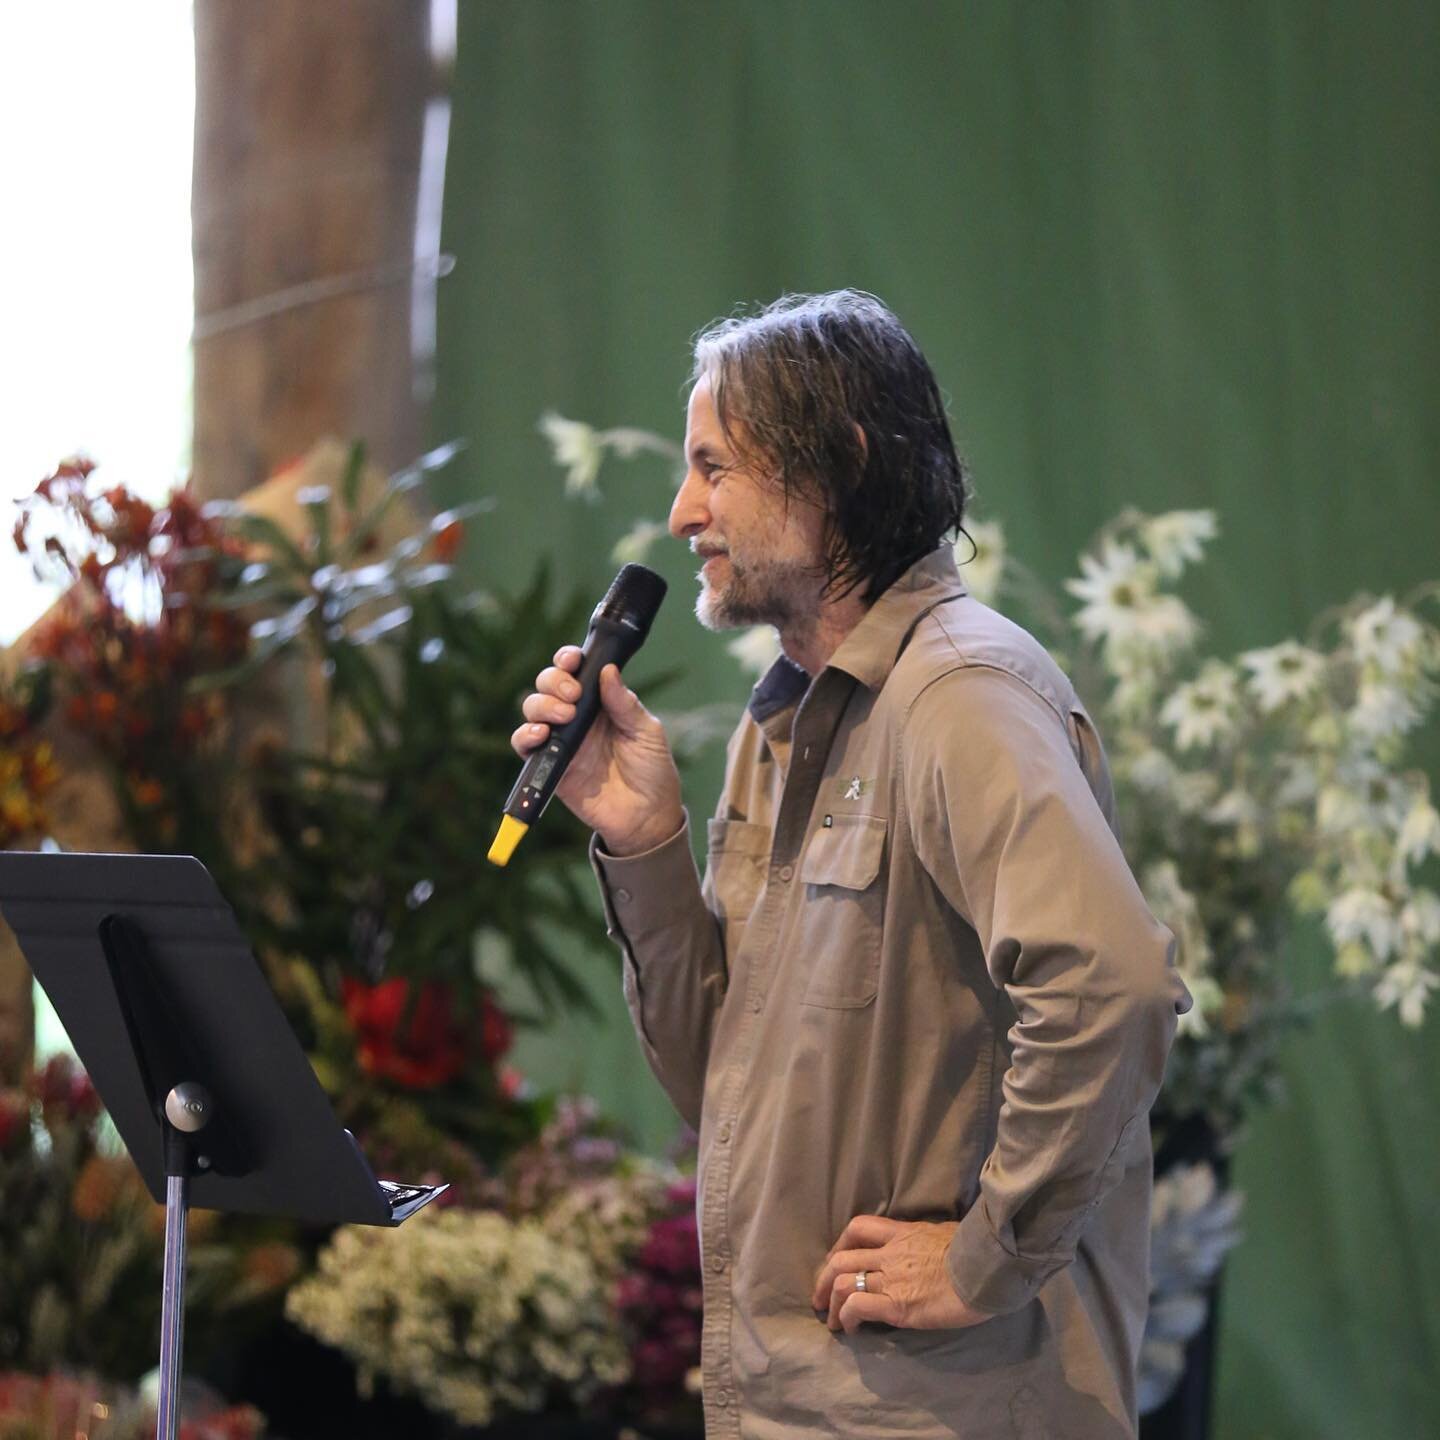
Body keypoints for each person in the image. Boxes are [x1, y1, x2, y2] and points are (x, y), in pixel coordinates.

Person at [512, 290, 1191, 1439]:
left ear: (840, 466)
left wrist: (985, 1258)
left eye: (714, 466)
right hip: (796, 1404)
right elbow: (723, 1095)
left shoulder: (963, 694)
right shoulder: (775, 732)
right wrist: (645, 844)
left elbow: (1112, 990)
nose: (683, 512)